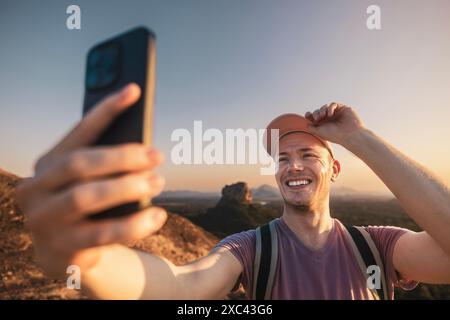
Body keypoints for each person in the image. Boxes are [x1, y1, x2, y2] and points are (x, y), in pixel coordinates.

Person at [16, 83, 450, 299]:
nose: (292, 165)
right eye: (282, 158)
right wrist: (90, 260)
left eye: (307, 154)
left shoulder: (375, 245)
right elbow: (179, 287)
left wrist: (358, 136)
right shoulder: (250, 250)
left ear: (334, 168)